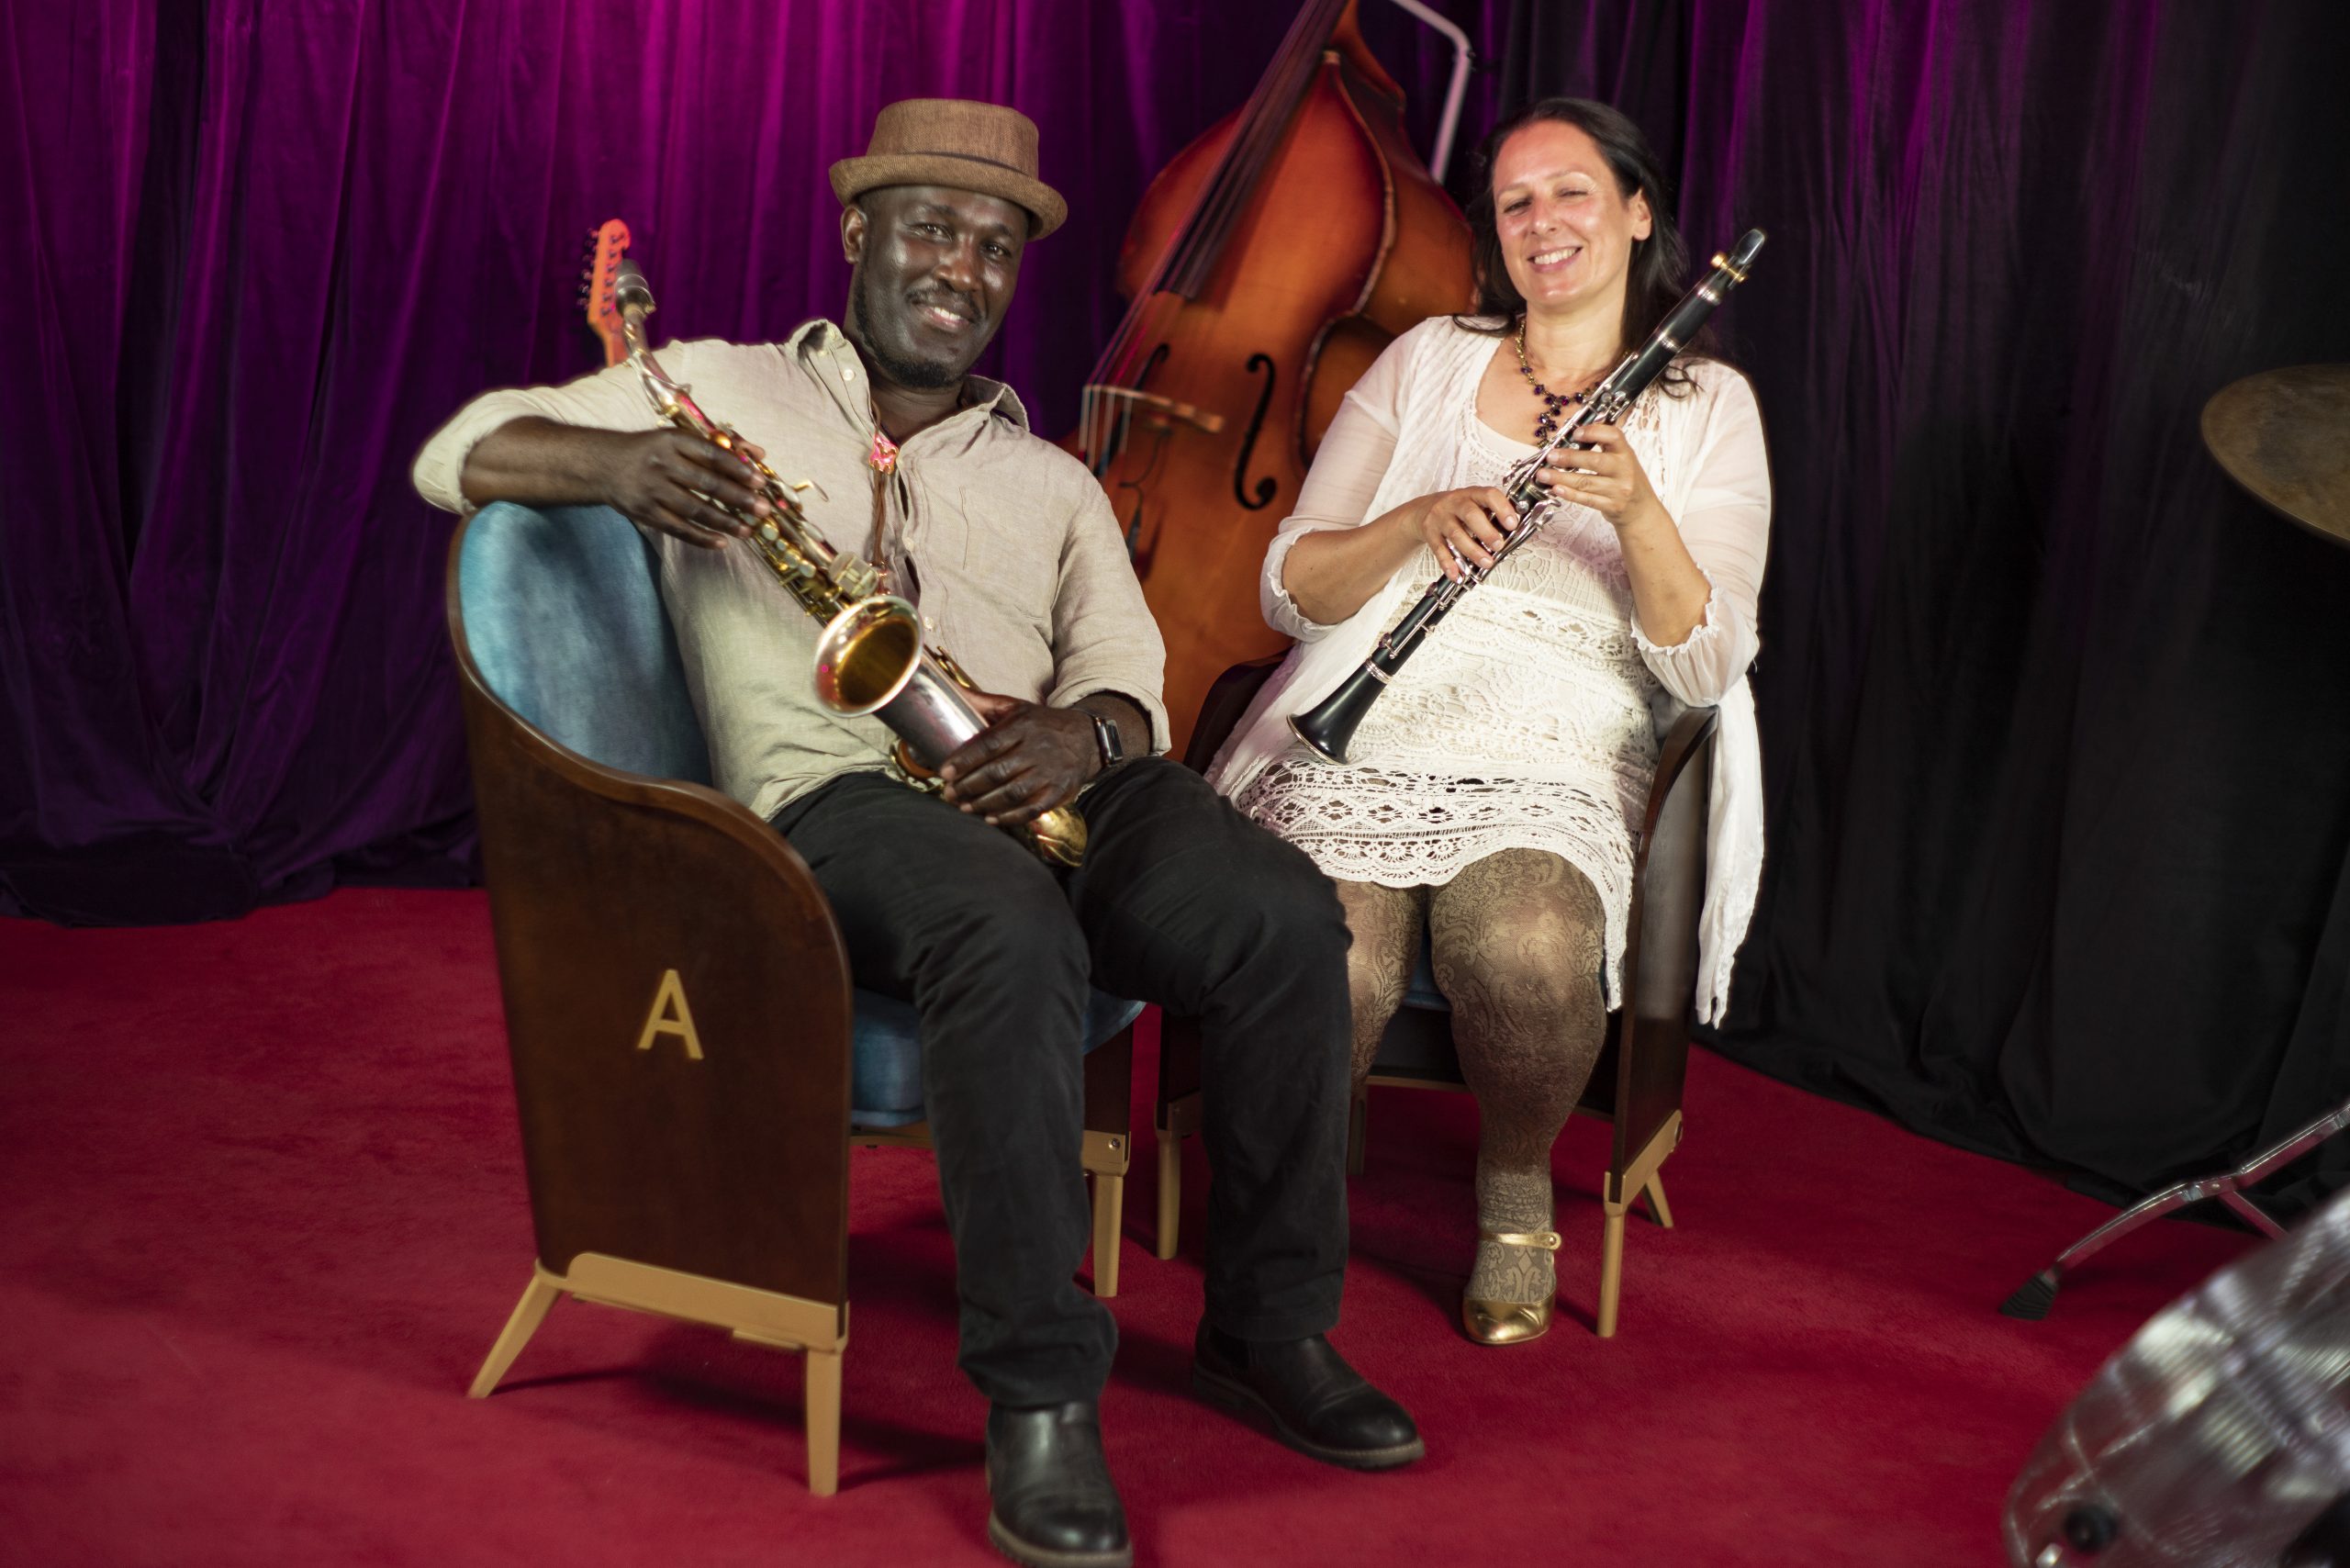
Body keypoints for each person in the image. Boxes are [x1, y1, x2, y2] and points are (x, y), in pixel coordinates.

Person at [412, 99, 1418, 1568]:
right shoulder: (711, 386)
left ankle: (1269, 1332)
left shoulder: (1057, 481)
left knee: (1283, 919)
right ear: (859, 237)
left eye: (995, 244)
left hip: (1056, 780)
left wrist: (1083, 738)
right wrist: (608, 466)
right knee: (1000, 929)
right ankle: (1041, 1401)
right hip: (839, 798)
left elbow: (1129, 689)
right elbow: (458, 450)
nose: (963, 264)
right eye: (933, 228)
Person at [1205, 97, 1771, 1347]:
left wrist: (1635, 510)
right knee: (1325, 961)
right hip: (1377, 709)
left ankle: (1516, 1190)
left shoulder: (1708, 405)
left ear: (1636, 211)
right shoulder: (1426, 360)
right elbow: (1287, 585)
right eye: (1515, 202)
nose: (1542, 221)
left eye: (1572, 191)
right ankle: (1296, 1204)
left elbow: (1712, 658)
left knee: (1525, 949)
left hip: (1560, 737)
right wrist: (1413, 523)